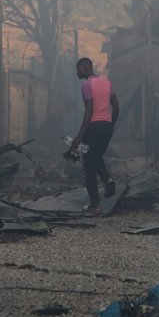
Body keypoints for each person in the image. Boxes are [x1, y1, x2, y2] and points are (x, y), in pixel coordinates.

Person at [70, 57, 119, 213]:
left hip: (93, 128)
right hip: (107, 127)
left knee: (89, 166)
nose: (77, 72)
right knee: (96, 157)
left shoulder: (86, 85)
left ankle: (95, 205)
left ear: (85, 67)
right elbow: (116, 107)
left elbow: (89, 112)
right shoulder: (107, 83)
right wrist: (111, 125)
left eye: (78, 69)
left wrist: (79, 135)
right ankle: (107, 179)